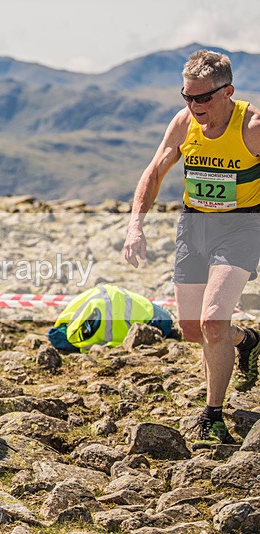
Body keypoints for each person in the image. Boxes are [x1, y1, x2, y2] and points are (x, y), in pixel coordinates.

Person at [123, 50, 260, 449]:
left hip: (242, 227)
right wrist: (136, 225)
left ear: (227, 91)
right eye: (187, 96)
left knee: (212, 324)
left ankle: (212, 416)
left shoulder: (251, 126)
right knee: (191, 330)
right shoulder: (184, 124)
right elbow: (154, 170)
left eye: (202, 98)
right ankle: (247, 341)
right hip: (193, 225)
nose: (194, 105)